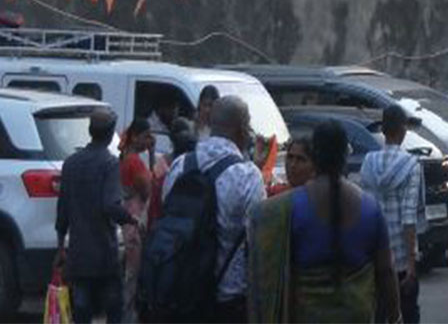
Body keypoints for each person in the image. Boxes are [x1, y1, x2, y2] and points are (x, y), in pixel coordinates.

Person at [248, 118, 402, 323]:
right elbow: (386, 272)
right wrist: (396, 318)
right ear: (345, 155)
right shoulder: (371, 209)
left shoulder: (282, 210)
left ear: (315, 157)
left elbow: (266, 275)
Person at [160, 94, 266, 322]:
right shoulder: (247, 176)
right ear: (242, 129)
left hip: (180, 293)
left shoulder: (180, 166)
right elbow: (257, 239)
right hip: (228, 297)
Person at [56, 106, 135, 324]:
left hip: (78, 254)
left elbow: (62, 210)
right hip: (104, 254)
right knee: (114, 310)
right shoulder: (109, 164)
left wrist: (60, 247)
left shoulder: (71, 163)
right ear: (110, 134)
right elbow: (110, 205)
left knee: (81, 312)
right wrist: (130, 219)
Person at [360, 103, 426, 324]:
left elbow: (364, 210)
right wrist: (412, 265)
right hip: (400, 261)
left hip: (373, 257)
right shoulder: (411, 165)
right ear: (403, 130)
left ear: (383, 129)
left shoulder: (368, 162)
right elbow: (409, 217)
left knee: (377, 316)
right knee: (407, 315)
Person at [118, 118, 159, 320]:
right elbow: (149, 189)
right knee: (132, 278)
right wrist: (151, 157)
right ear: (135, 137)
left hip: (126, 221)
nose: (149, 140)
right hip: (134, 223)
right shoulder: (134, 162)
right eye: (146, 136)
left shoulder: (125, 157)